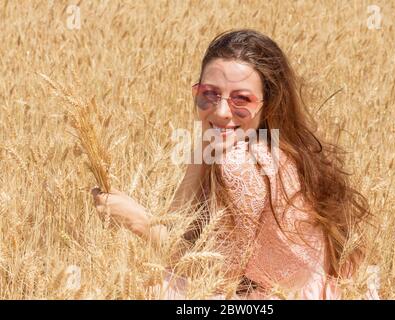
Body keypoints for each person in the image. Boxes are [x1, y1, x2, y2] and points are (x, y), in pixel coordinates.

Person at [92, 28, 379, 300]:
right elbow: (181, 228)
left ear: (269, 104)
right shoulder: (285, 146)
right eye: (209, 94)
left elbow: (211, 277)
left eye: (242, 99)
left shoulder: (243, 163)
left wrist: (138, 221)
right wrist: (201, 153)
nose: (220, 111)